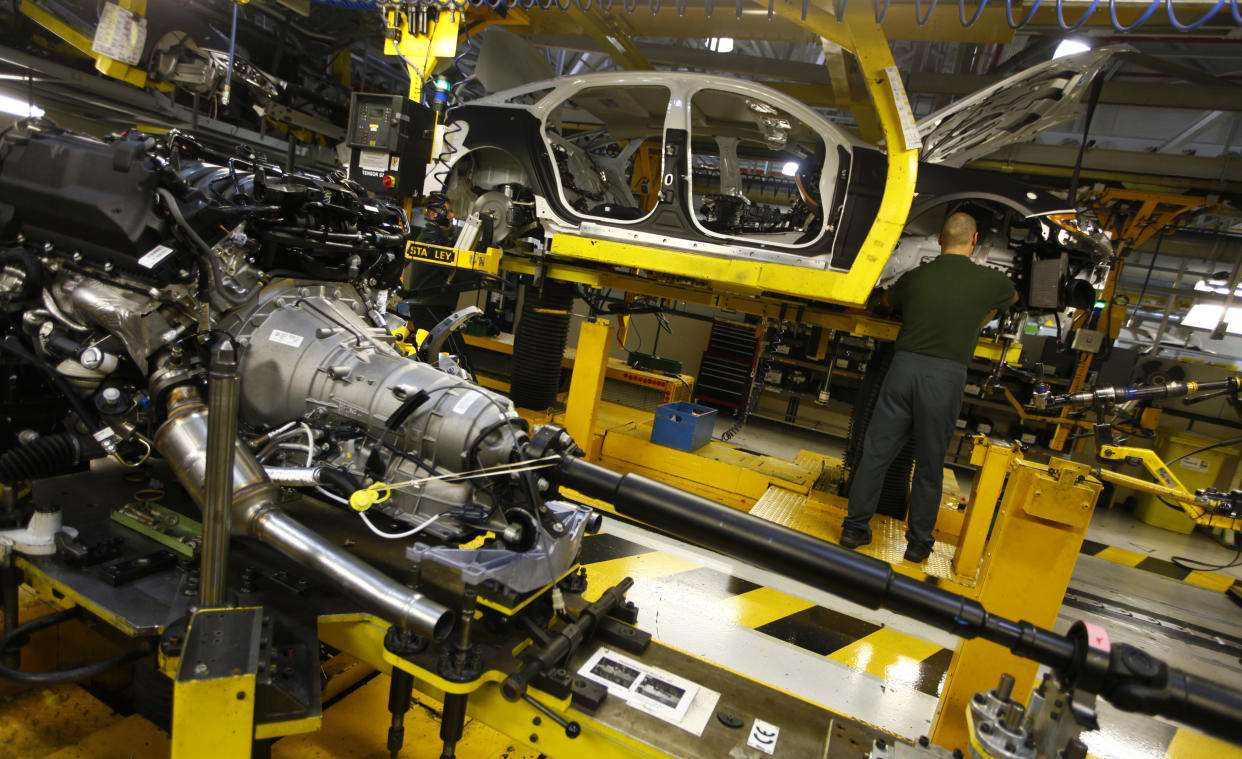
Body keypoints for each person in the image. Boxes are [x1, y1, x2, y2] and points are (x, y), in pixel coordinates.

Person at [840, 211, 1017, 563]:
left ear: (939, 239)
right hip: (946, 375)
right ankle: (919, 543)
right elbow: (1008, 301)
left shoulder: (917, 276)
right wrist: (976, 322)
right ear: (974, 239)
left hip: (904, 369)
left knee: (876, 454)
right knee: (930, 462)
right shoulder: (991, 281)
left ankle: (854, 528)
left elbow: (887, 301)